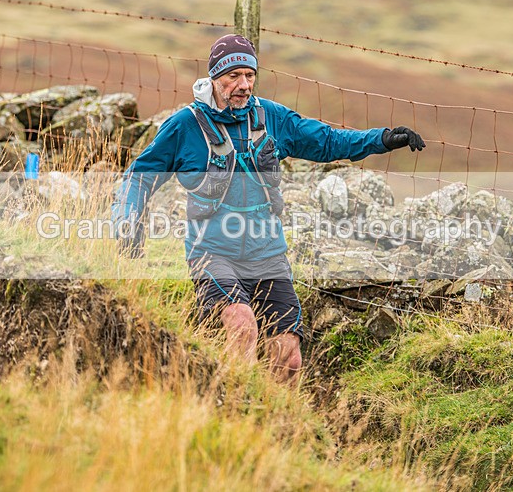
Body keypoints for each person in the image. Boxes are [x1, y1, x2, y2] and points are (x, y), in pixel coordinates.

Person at [112, 34, 425, 384]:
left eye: (250, 75)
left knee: (289, 359)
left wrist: (381, 139)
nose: (244, 85)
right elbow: (139, 177)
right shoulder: (185, 127)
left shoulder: (270, 117)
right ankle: (233, 415)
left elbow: (327, 141)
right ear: (214, 77)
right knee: (242, 325)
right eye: (234, 77)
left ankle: (278, 429)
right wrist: (127, 222)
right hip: (213, 253)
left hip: (268, 253)